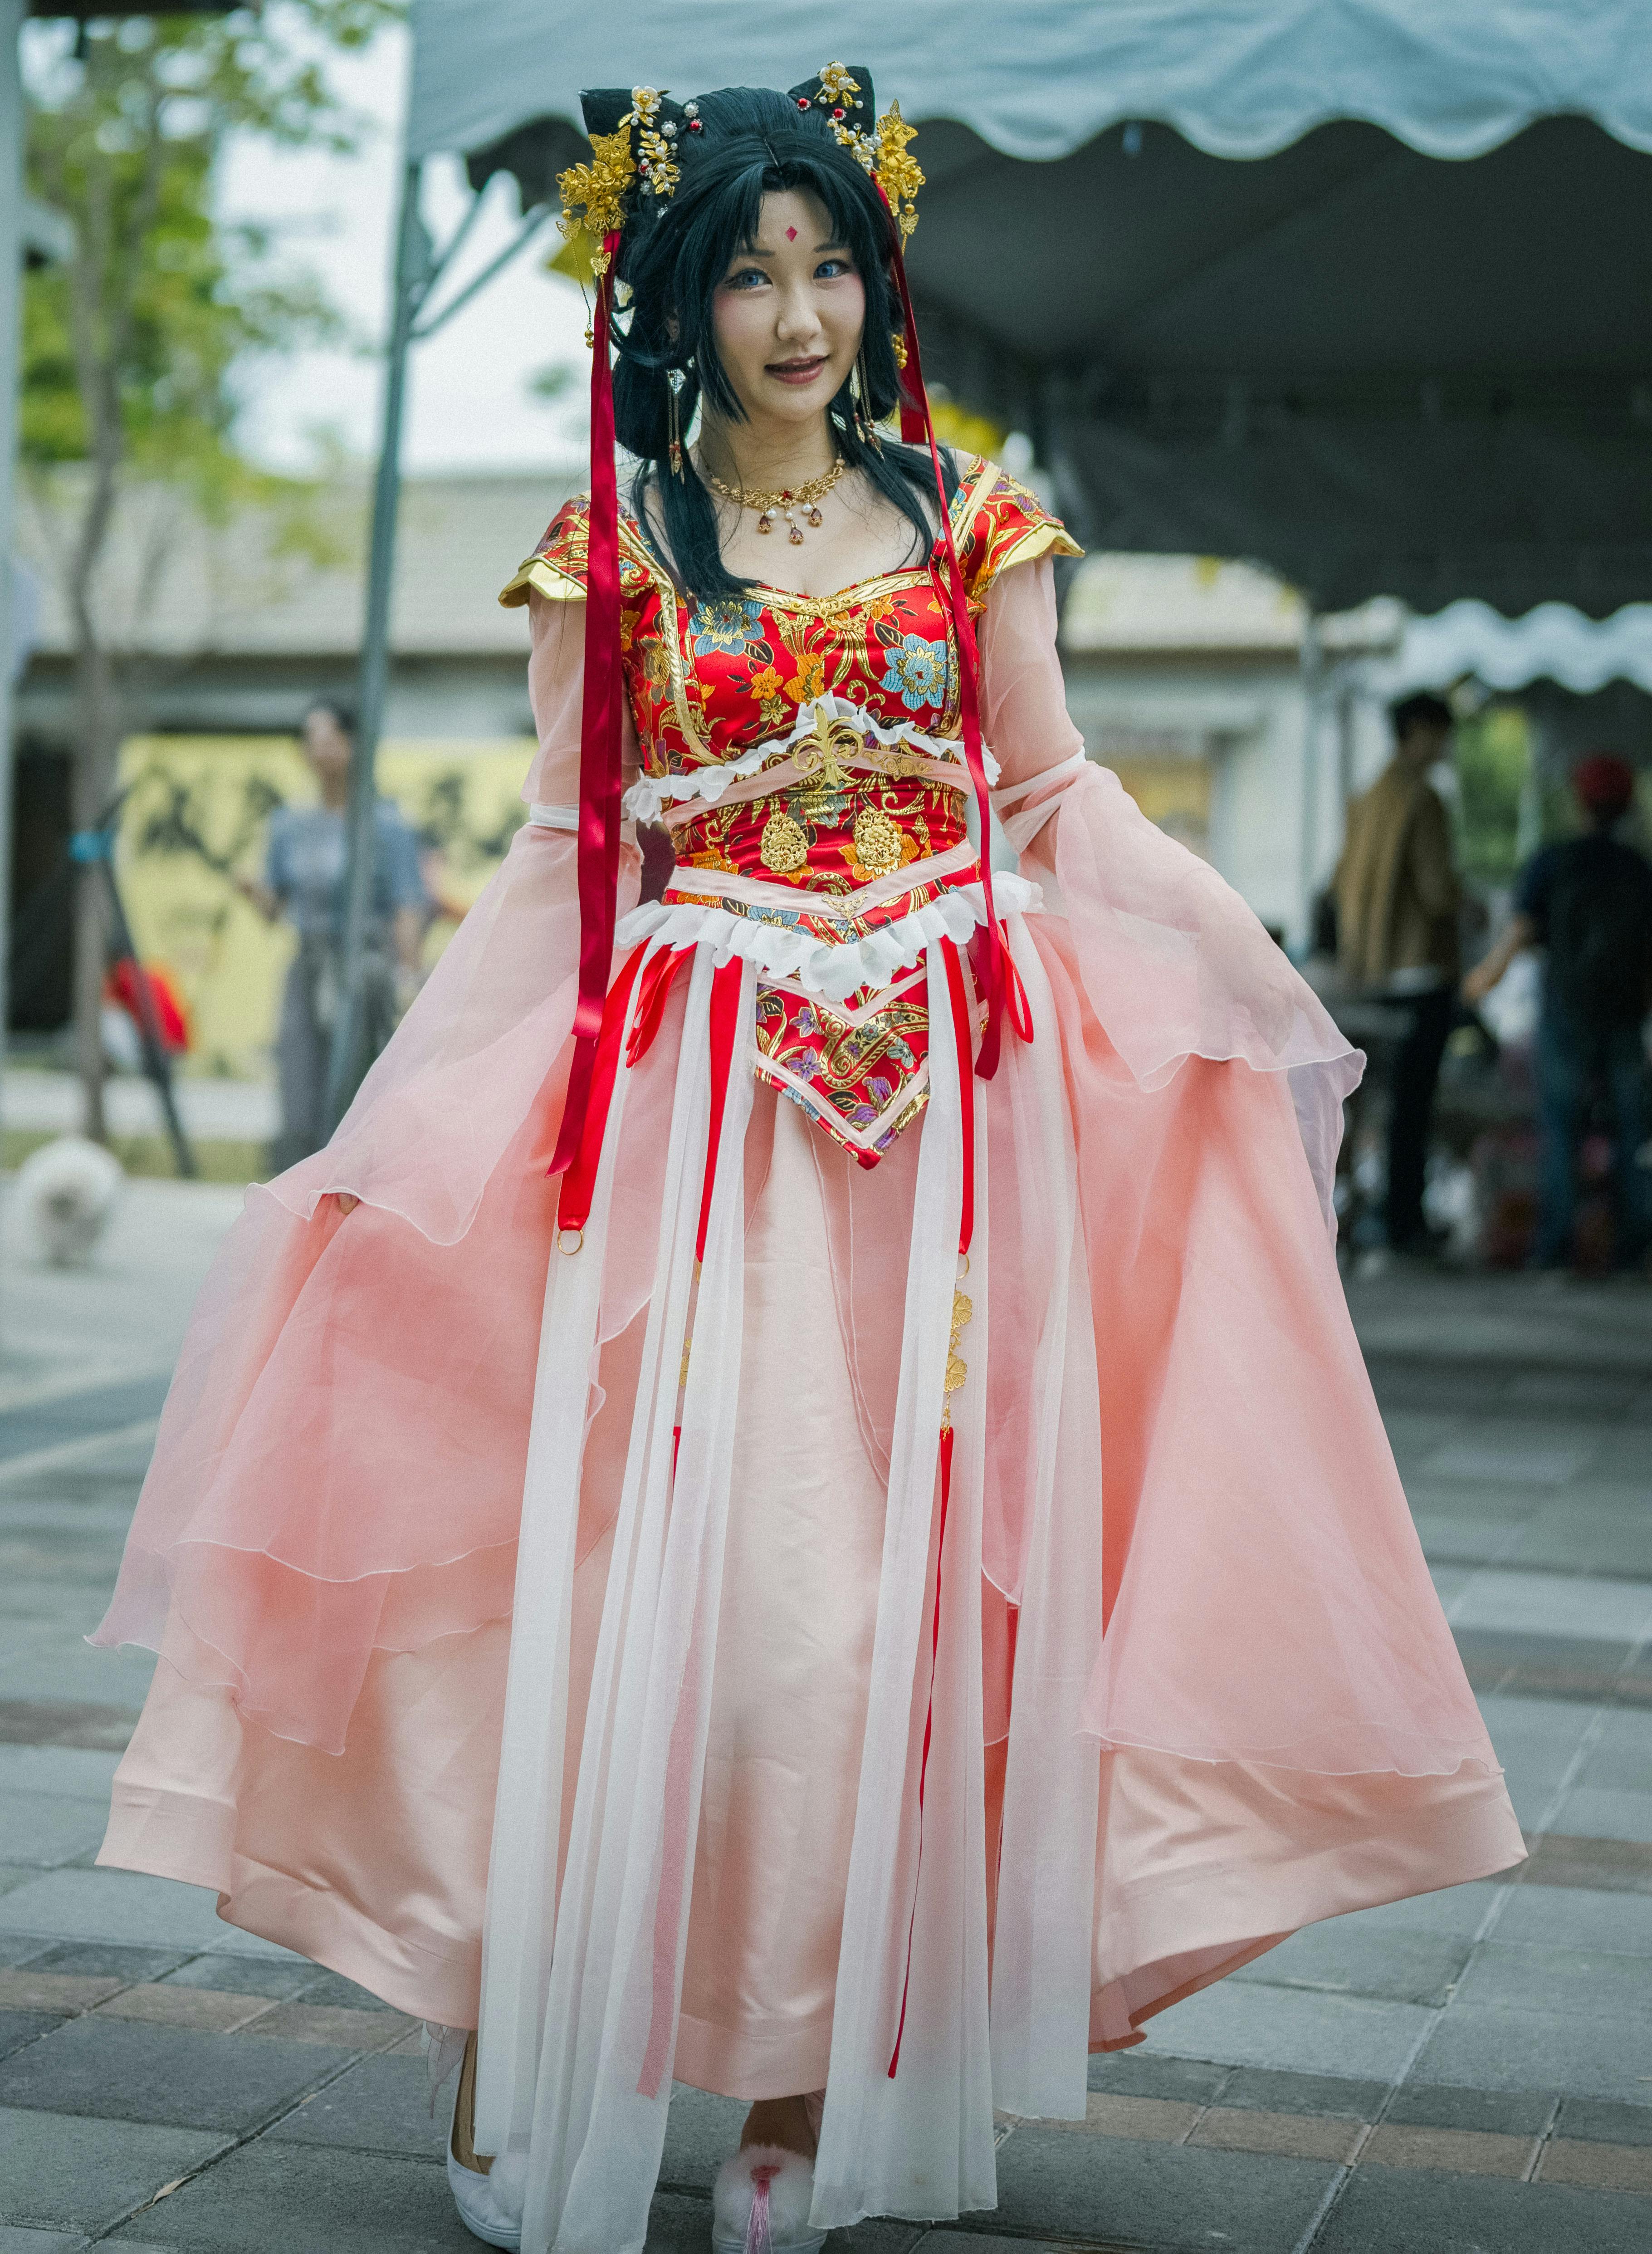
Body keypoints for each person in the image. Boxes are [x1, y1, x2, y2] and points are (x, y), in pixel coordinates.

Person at [91, 72, 1522, 2254]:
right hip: (695, 1114)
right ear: (678, 291)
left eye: (831, 260)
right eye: (753, 267)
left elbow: (1045, 797)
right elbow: (575, 862)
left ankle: (791, 2079)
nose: (800, 308)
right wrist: (442, 1121)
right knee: (690, 1611)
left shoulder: (968, 510)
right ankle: (522, 2013)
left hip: (951, 1115)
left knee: (891, 1618)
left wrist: (1228, 968)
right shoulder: (617, 539)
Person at [1465, 752, 1652, 1271]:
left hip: (1565, 1010)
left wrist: (1484, 979)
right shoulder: (1638, 868)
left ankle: (1555, 1249)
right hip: (1623, 1016)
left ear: (1581, 802)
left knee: (1560, 1130)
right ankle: (1633, 1247)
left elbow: (1521, 931)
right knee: (1631, 1134)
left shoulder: (1554, 861)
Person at [237, 698, 428, 1168]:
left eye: (329, 738)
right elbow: (276, 909)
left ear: (354, 745)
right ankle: (298, 1184)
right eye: (310, 740)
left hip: (365, 967)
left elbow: (407, 905)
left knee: (358, 1082)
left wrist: (409, 977)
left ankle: (353, 1183)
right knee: (300, 1077)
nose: (319, 750)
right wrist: (251, 891)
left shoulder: (386, 825)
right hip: (308, 965)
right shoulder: (288, 826)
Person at [1333, 691, 1464, 1254]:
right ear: (1418, 732)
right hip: (1422, 973)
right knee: (1413, 1108)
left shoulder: (1367, 799)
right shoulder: (1425, 800)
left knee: (1374, 1107)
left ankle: (1377, 1217)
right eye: (1440, 733)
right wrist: (1470, 902)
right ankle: (1405, 1222)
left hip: (1372, 973)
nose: (1445, 746)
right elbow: (1437, 891)